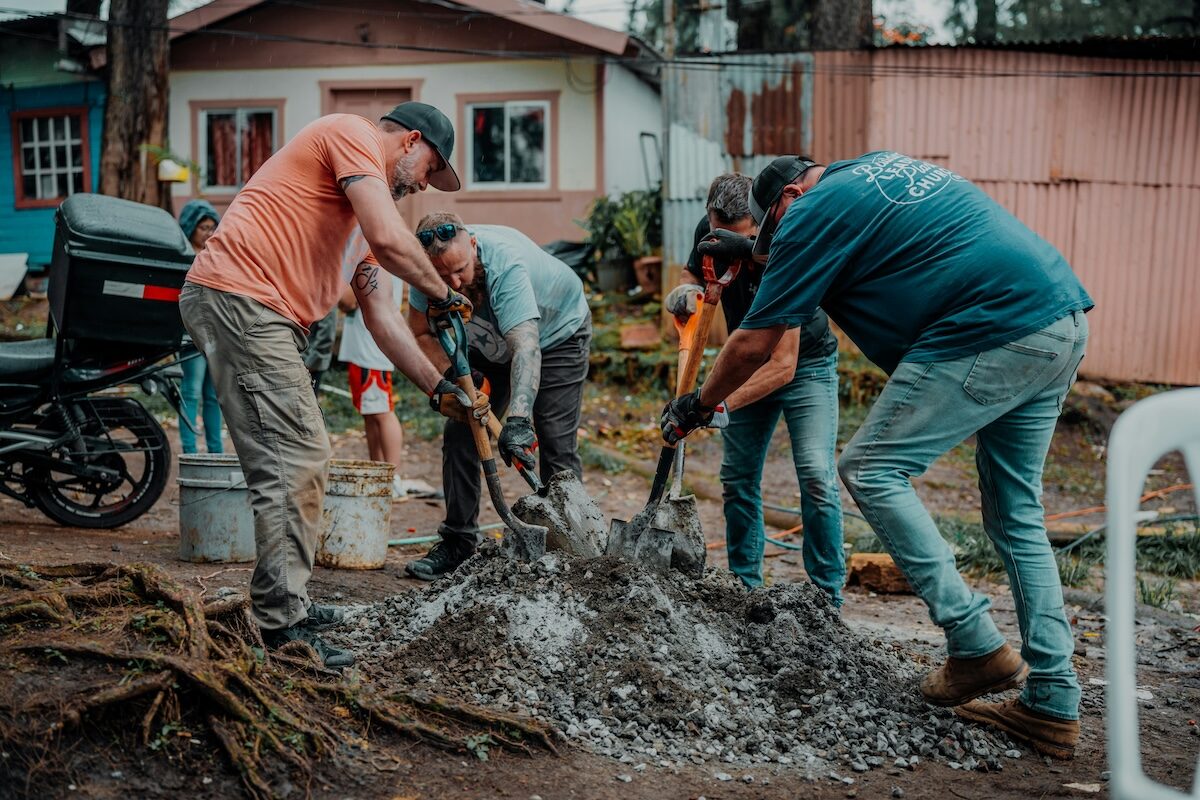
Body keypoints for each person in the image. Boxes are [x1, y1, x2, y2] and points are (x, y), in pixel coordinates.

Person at [661, 152, 1092, 759]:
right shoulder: (870, 170)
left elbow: (758, 341)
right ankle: (1053, 702)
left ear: (788, 197)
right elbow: (827, 244)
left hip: (988, 326)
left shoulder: (808, 213)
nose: (777, 241)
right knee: (1017, 515)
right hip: (1057, 315)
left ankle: (973, 640)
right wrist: (751, 252)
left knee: (868, 468)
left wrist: (698, 406)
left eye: (773, 229)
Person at [179, 102, 479, 668]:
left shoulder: (361, 229)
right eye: (428, 169)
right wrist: (441, 293)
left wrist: (436, 387)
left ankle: (285, 601)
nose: (420, 187)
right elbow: (395, 242)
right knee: (298, 458)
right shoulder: (350, 133)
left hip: (262, 312)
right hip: (242, 299)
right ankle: (281, 624)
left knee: (293, 460)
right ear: (410, 141)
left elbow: (383, 318)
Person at [665, 173, 843, 600]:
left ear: (759, 224)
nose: (726, 243)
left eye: (740, 237)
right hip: (744, 358)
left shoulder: (788, 238)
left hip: (805, 364)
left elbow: (783, 365)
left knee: (817, 476)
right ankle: (745, 587)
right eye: (717, 233)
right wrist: (685, 292)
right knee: (738, 478)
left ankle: (826, 597)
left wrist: (715, 405)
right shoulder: (711, 231)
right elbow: (694, 273)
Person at [405, 213, 592, 581]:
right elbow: (421, 332)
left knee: (554, 440)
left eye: (460, 270)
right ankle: (458, 542)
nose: (455, 283)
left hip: (556, 337)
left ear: (472, 244)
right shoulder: (424, 273)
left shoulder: (505, 264)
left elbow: (526, 348)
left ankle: (574, 547)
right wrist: (453, 377)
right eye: (444, 278)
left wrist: (519, 421)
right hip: (488, 346)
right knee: (460, 431)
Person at [335, 226, 410, 499]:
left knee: (381, 411)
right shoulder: (381, 251)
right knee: (371, 412)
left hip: (371, 348)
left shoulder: (371, 254)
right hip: (364, 347)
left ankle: (393, 476)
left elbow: (346, 301)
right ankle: (378, 472)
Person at [177, 199, 224, 455]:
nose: (208, 232)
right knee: (191, 392)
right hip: (191, 337)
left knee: (214, 396)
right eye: (203, 227)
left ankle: (216, 453)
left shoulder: (217, 256)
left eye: (212, 227)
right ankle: (190, 451)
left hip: (217, 335)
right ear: (190, 228)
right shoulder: (183, 257)